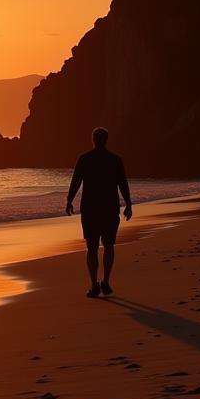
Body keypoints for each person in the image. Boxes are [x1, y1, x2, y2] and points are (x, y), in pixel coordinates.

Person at [65, 127, 132, 298]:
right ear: (106, 140)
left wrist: (69, 201)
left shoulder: (85, 159)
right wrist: (129, 204)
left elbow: (76, 182)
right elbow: (122, 184)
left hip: (90, 209)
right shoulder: (115, 160)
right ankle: (106, 281)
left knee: (92, 247)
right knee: (109, 245)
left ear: (93, 140)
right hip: (110, 208)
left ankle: (94, 285)